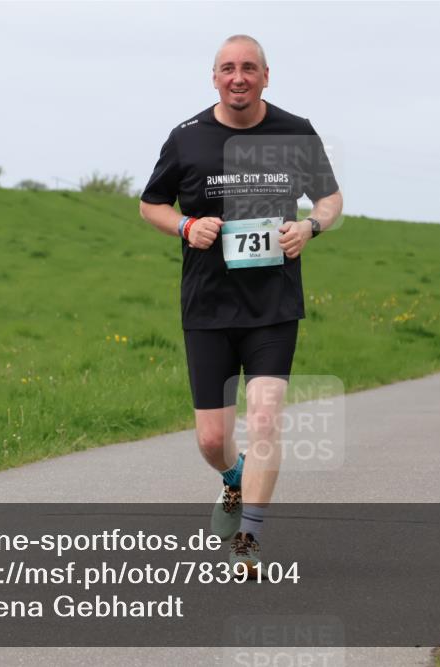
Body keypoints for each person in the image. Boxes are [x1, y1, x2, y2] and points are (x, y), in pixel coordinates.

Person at [138, 35, 342, 572]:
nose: (238, 77)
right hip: (207, 305)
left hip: (273, 303)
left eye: (248, 68)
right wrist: (186, 225)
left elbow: (329, 197)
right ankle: (233, 476)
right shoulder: (187, 138)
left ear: (265, 76)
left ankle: (247, 541)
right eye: (228, 68)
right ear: (214, 78)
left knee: (266, 419)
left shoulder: (295, 131)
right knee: (211, 439)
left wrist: (310, 225)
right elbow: (150, 204)